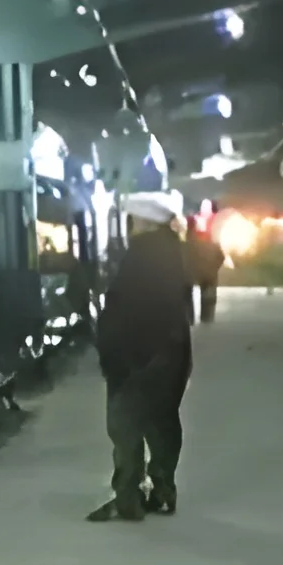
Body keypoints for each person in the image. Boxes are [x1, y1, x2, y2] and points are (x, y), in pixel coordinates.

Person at [88, 193, 193, 522]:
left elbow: (128, 312)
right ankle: (162, 491)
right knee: (162, 424)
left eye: (133, 220)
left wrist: (113, 352)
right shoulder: (171, 254)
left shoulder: (141, 258)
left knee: (125, 426)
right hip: (168, 355)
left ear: (143, 222)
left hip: (137, 357)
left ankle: (128, 498)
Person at [187, 224, 225, 324]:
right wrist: (215, 267)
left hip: (196, 273)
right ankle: (207, 319)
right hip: (210, 274)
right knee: (208, 297)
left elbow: (188, 258)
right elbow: (221, 258)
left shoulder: (192, 245)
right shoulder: (214, 245)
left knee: (187, 295)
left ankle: (190, 319)